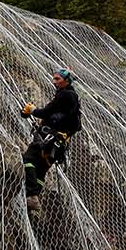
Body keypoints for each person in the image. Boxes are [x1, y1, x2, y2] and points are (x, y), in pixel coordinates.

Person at [20, 68, 81, 198]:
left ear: (67, 81)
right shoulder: (73, 98)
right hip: (58, 145)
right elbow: (76, 125)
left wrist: (31, 110)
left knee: (27, 160)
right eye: (54, 78)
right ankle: (33, 199)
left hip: (48, 140)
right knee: (41, 171)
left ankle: (31, 194)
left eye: (58, 79)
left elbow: (45, 112)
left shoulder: (65, 95)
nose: (54, 82)